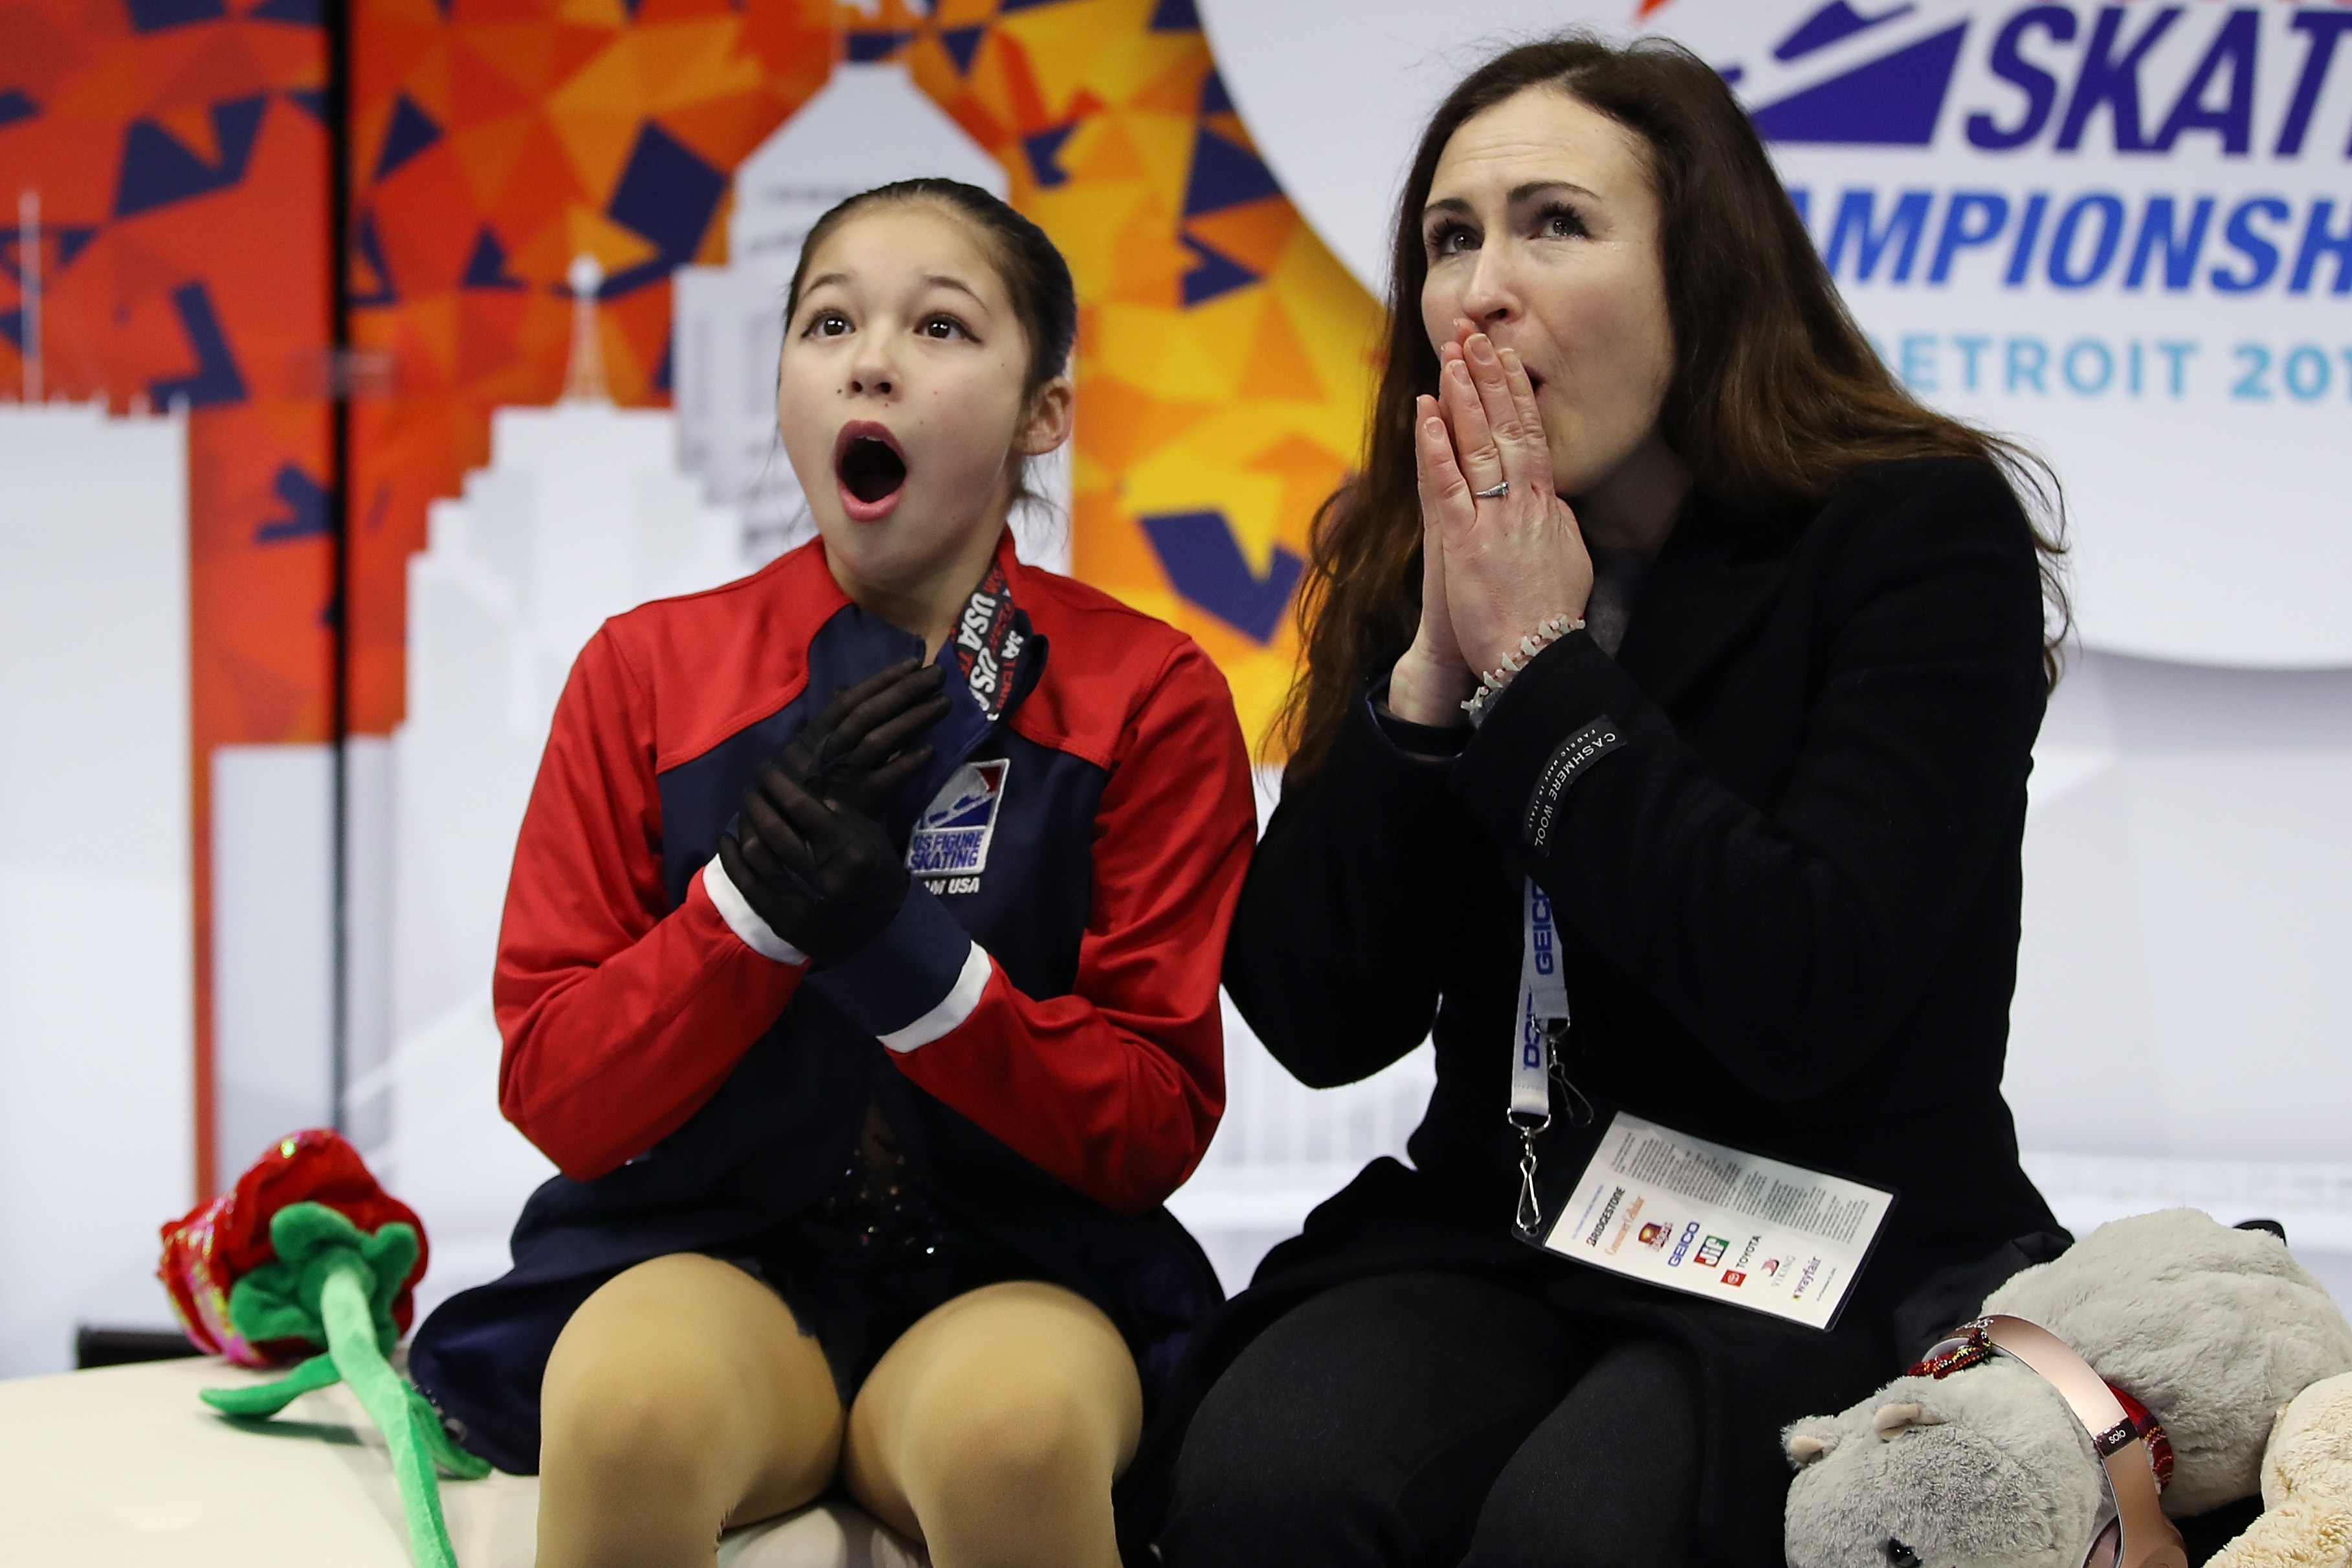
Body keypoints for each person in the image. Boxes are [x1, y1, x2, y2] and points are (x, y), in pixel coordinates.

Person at [1142, 35, 2070, 1568]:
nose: (1477, 289)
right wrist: (1429, 687)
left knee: (1584, 1531)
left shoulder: (1914, 529)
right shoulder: (1429, 543)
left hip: (1815, 1234)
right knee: (1267, 1482)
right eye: (1449, 239)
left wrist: (1541, 666)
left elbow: (1807, 988)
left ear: (1700, 274)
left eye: (1552, 224)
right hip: (1503, 1217)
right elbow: (1313, 1019)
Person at [405, 179, 1256, 1568]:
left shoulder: (1145, 695)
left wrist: (899, 956)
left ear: (1044, 412)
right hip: (702, 1257)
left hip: (1023, 1270)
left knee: (1017, 1438)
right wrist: (745, 918)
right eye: (828, 323)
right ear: (790, 389)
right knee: (620, 1415)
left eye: (938, 326)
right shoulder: (646, 674)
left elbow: (1152, 1120)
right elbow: (557, 1091)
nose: (870, 357)